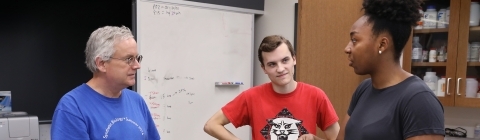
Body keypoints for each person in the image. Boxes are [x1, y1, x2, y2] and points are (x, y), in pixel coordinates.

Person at [338, 0, 445, 139]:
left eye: (354, 40)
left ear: (382, 44)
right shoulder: (363, 89)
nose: (347, 49)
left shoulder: (418, 100)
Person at [204, 35, 340, 140]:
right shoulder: (251, 97)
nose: (280, 69)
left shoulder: (316, 95)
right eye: (272, 64)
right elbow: (211, 125)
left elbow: (337, 137)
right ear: (264, 68)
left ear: (294, 59)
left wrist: (314, 139)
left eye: (285, 60)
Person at [50, 26, 161, 140]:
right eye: (129, 59)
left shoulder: (137, 101)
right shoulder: (72, 107)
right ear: (101, 63)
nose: (137, 65)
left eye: (137, 58)